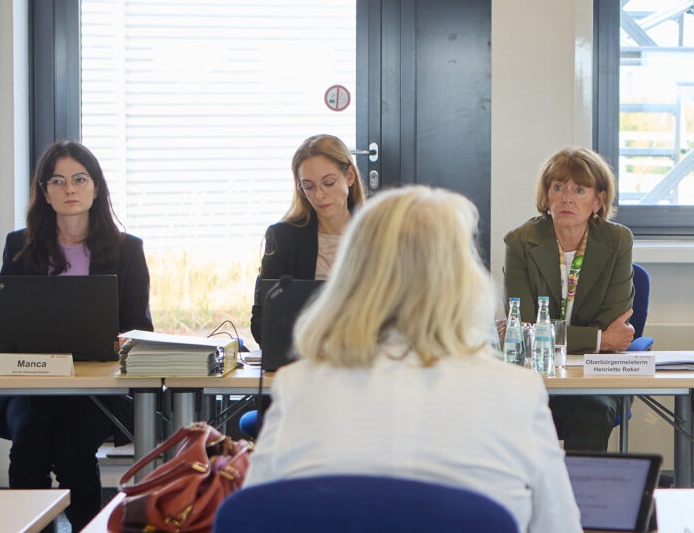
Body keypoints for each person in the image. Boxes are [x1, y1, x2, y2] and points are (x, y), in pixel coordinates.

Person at [244, 186, 582, 532]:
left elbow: (249, 518)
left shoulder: (297, 386)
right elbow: (559, 526)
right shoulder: (517, 392)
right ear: (462, 279)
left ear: (352, 278)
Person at [0, 140, 153, 529]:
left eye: (79, 179)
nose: (69, 189)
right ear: (45, 192)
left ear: (96, 187)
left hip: (94, 387)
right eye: (57, 181)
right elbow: (5, 317)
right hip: (32, 383)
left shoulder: (127, 250)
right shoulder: (19, 245)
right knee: (27, 450)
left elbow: (138, 326)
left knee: (75, 453)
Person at [502, 147, 635, 452]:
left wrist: (550, 336)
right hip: (537, 377)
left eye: (579, 190)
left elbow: (613, 320)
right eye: (558, 187)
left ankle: (583, 485)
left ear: (598, 200)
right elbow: (525, 330)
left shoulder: (617, 241)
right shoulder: (521, 242)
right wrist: (600, 339)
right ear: (546, 195)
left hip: (593, 378)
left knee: (593, 412)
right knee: (506, 407)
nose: (567, 199)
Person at [249, 134, 365, 343]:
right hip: (307, 353)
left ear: (349, 176)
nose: (319, 195)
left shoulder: (379, 233)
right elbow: (261, 326)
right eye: (309, 186)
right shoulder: (283, 238)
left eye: (328, 183)